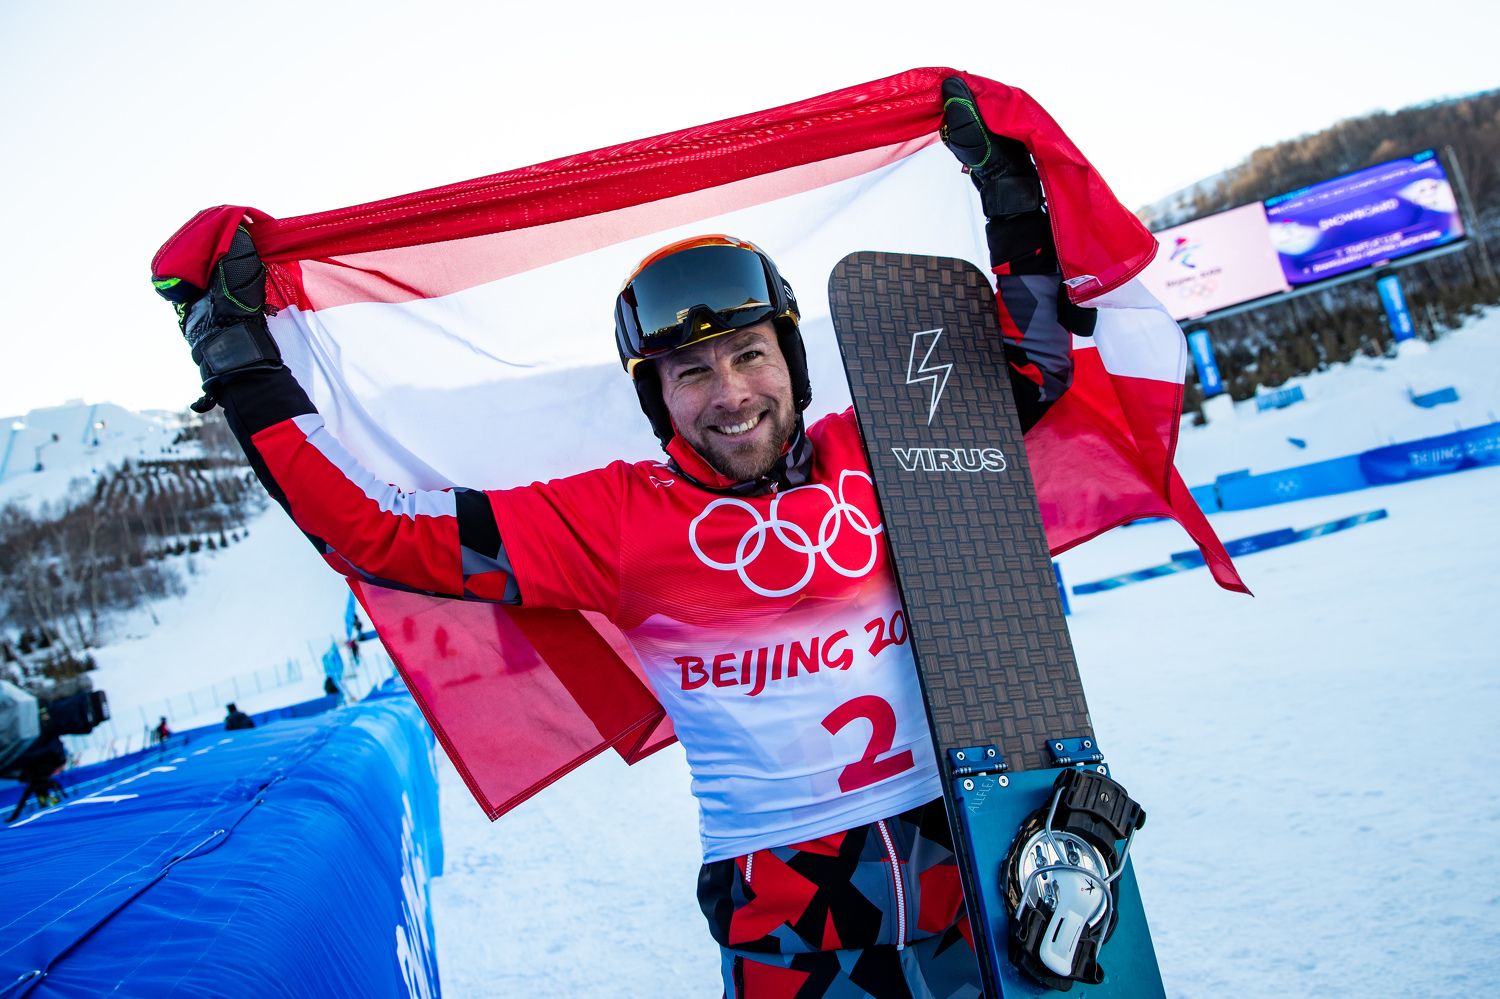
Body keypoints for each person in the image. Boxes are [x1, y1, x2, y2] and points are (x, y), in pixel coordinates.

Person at [157, 83, 1092, 996]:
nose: (730, 394)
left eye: (749, 353)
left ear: (792, 361)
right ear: (657, 399)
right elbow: (377, 533)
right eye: (690, 372)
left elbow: (1032, 371)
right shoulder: (614, 518)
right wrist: (240, 363)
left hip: (976, 869)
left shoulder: (886, 442)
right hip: (798, 930)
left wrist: (1007, 190)